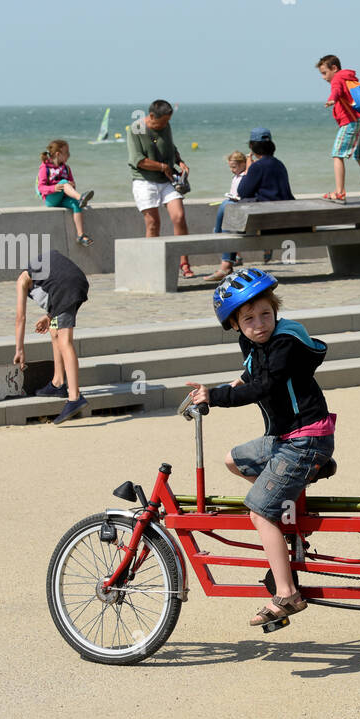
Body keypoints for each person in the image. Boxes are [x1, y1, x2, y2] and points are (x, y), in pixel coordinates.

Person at [186, 270, 336, 628]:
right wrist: (221, 386)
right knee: (233, 459)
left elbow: (263, 385)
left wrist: (217, 396)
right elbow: (250, 375)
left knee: (258, 511)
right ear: (235, 324)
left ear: (275, 309)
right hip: (284, 439)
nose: (259, 324)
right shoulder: (254, 343)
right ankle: (284, 526)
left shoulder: (283, 344)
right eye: (249, 318)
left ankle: (287, 594)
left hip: (305, 440)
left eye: (265, 314)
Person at [204, 128, 294, 283]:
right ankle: (221, 243)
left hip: (265, 222)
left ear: (252, 146)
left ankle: (225, 263)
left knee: (227, 206)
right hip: (284, 219)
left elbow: (243, 191)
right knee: (228, 206)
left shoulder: (257, 167)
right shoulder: (279, 164)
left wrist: (249, 168)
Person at [13, 249, 90, 424]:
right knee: (55, 331)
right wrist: (50, 316)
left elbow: (20, 317)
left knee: (65, 341)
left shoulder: (23, 280)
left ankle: (74, 397)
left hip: (66, 288)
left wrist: (20, 350)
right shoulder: (42, 268)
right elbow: (58, 283)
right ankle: (58, 382)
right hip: (78, 282)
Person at [127, 99, 192, 276]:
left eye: (167, 121)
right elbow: (138, 160)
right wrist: (163, 167)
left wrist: (180, 161)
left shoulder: (166, 126)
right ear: (151, 116)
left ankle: (184, 263)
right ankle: (151, 266)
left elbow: (170, 147)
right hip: (144, 181)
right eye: (162, 121)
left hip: (167, 181)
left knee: (179, 217)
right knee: (153, 223)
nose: (164, 125)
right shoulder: (137, 128)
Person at [316, 55, 360, 203]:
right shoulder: (351, 78)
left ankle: (340, 193)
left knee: (337, 155)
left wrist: (332, 99)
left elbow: (336, 90)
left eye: (324, 73)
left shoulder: (337, 79)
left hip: (351, 122)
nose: (323, 77)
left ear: (334, 68)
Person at [36, 140, 95, 246]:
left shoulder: (66, 168)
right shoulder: (45, 167)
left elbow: (72, 184)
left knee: (76, 204)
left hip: (63, 197)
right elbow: (41, 187)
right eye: (67, 152)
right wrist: (54, 188)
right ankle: (80, 197)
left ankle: (80, 235)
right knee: (63, 182)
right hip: (51, 199)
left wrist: (72, 184)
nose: (69, 155)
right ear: (58, 154)